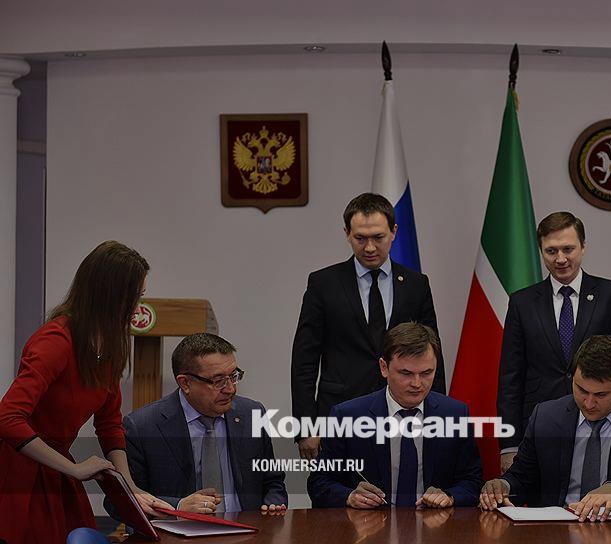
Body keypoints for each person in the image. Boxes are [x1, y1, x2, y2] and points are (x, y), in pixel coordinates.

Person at [0, 241, 169, 544]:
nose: (137, 307)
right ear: (110, 295)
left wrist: (131, 489)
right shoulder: (56, 341)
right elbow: (8, 418)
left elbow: (109, 425)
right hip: (19, 473)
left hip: (58, 469)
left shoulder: (110, 346)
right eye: (134, 297)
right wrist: (74, 469)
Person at [292, 193, 443, 461]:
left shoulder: (416, 284)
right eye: (360, 238)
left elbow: (431, 352)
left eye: (378, 237)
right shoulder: (323, 284)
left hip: (403, 411)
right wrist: (306, 427)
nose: (370, 247)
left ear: (394, 232)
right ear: (347, 234)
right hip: (339, 412)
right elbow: (305, 358)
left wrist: (437, 416)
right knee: (338, 485)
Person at [498, 211, 611, 471]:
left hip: (601, 421)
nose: (560, 259)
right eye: (551, 251)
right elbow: (511, 377)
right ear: (541, 251)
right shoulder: (522, 302)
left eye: (568, 249)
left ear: (583, 247)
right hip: (541, 426)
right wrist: (509, 444)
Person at [481, 335, 611, 520]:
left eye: (600, 395)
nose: (588, 403)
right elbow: (523, 477)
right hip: (555, 529)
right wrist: (503, 486)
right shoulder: (546, 417)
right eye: (581, 390)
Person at [110, 333, 287, 517]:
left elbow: (272, 482)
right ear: (185, 383)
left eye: (234, 376)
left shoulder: (252, 414)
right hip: (177, 531)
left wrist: (272, 504)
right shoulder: (143, 427)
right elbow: (118, 503)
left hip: (248, 529)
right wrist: (177, 507)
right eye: (218, 381)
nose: (231, 389)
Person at [309, 323, 482, 508]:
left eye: (426, 373)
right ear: (384, 367)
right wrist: (349, 496)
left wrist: (450, 496)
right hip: (370, 523)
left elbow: (472, 481)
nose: (417, 383)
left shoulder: (455, 415)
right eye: (406, 373)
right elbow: (319, 483)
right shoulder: (347, 417)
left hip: (434, 523)